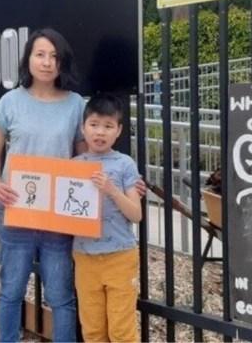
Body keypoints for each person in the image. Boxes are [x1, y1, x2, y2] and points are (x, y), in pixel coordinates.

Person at [0, 28, 86, 342]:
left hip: (57, 217)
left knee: (60, 295)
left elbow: (84, 158)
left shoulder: (75, 105)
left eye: (54, 56)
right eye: (40, 54)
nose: (47, 62)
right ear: (28, 59)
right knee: (12, 290)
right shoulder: (10, 102)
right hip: (16, 209)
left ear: (62, 63)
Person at [72, 94, 142, 342]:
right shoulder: (74, 165)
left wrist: (112, 190)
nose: (100, 132)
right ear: (83, 128)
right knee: (92, 330)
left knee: (122, 331)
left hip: (120, 255)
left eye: (108, 126)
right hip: (84, 256)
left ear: (119, 130)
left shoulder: (125, 164)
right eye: (94, 124)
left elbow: (136, 214)